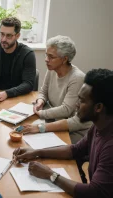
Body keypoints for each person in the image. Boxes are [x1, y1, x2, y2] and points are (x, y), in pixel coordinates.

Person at [14, 69, 113, 198]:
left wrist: (51, 174)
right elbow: (75, 150)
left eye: (82, 101)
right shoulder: (99, 126)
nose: (76, 105)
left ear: (98, 107)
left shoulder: (110, 146)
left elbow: (94, 192)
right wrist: (37, 152)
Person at [34, 35, 85, 120]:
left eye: (51, 57)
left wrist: (41, 113)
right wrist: (40, 101)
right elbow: (43, 92)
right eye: (46, 55)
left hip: (66, 125)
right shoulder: (52, 69)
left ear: (64, 59)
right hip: (51, 117)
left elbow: (66, 110)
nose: (46, 59)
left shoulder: (77, 78)